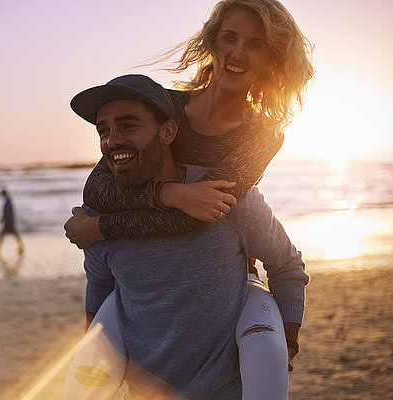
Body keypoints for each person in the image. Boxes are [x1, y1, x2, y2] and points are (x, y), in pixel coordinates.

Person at [64, 0, 314, 386]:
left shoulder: (261, 135)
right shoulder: (166, 107)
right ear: (211, 42)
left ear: (272, 59)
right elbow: (100, 187)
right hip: (155, 267)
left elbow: (205, 214)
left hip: (224, 270)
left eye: (255, 44)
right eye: (229, 38)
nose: (237, 52)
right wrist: (170, 193)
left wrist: (102, 230)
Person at [0, 188, 24, 255]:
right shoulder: (8, 200)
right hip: (10, 220)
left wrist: (2, 218)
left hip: (8, 221)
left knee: (3, 235)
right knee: (13, 234)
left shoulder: (7, 201)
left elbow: (6, 212)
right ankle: (21, 246)